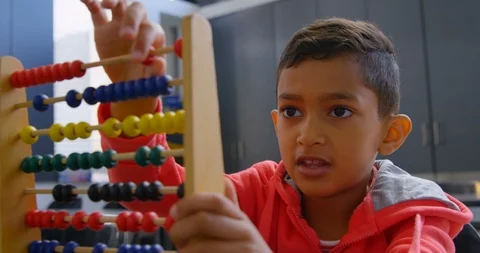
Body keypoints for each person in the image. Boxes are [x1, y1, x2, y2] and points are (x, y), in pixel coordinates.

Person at [81, 0, 473, 252]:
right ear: (276, 122)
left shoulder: (418, 218)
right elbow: (154, 191)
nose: (307, 134)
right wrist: (130, 94)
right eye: (291, 112)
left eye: (338, 111)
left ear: (390, 134)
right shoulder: (257, 192)